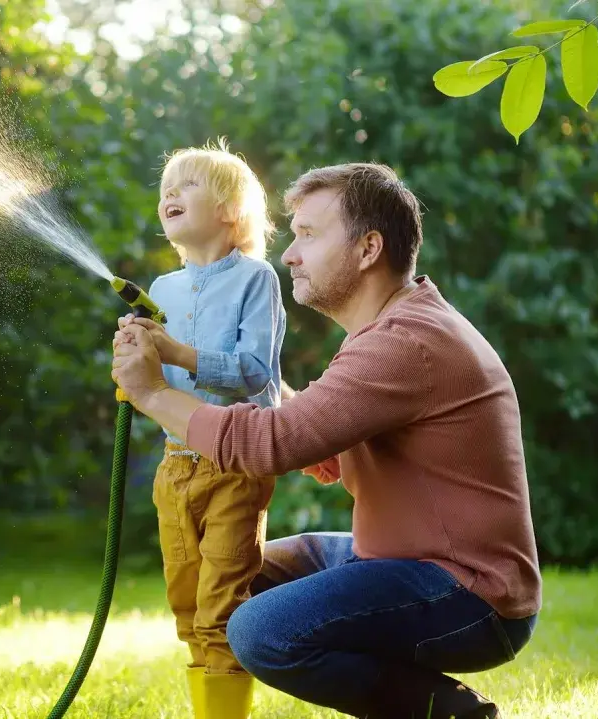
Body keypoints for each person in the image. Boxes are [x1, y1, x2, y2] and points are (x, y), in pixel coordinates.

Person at [111, 162, 540, 719]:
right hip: (397, 556)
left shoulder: (404, 343)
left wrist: (151, 393)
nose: (289, 254)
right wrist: (257, 381)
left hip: (469, 593)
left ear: (368, 249)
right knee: (236, 573)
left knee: (259, 628)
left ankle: (455, 714)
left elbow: (271, 445)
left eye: (309, 235)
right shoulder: (388, 330)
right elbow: (319, 436)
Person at [127, 140, 286, 719]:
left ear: (229, 211)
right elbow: (152, 382)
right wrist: (137, 351)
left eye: (187, 185)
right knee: (187, 606)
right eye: (166, 188)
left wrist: (177, 352)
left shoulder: (256, 278)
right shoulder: (161, 290)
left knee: (221, 606)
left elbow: (255, 371)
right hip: (176, 465)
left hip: (235, 466)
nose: (170, 193)